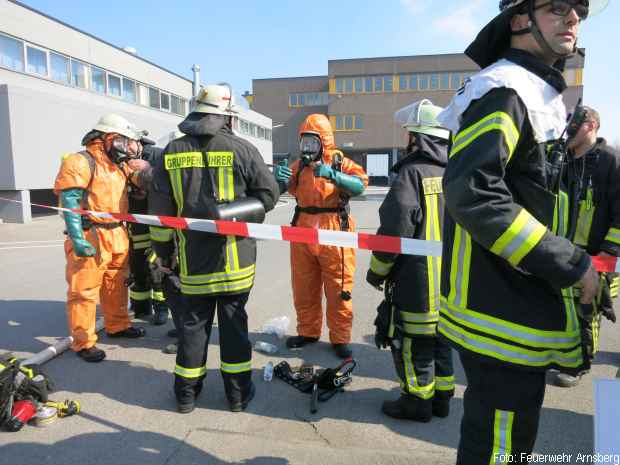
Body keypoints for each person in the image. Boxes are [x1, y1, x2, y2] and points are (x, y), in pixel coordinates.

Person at [436, 1, 605, 462]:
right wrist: (570, 264)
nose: (573, 19)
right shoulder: (505, 89)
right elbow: (473, 192)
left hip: (512, 307)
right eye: (557, 8)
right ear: (517, 21)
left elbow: (532, 195)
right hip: (501, 313)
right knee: (501, 450)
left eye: (578, 10)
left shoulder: (531, 91)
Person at [148, 84, 279, 413]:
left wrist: (163, 254)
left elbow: (159, 214)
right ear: (227, 116)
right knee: (234, 329)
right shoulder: (243, 149)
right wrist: (236, 210)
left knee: (192, 327)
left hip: (191, 264)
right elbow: (269, 196)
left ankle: (186, 396)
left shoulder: (171, 152)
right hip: (235, 263)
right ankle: (237, 396)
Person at [366, 99, 454, 422]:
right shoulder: (456, 171)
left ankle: (416, 401)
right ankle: (442, 398)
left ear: (418, 138)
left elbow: (394, 229)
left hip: (418, 283)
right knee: (442, 341)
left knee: (412, 344)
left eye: (409, 136)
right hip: (450, 283)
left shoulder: (411, 173)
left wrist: (377, 271)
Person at [54, 114, 147, 363]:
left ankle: (117, 325)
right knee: (83, 291)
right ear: (109, 138)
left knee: (116, 283)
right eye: (125, 141)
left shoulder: (119, 164)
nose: (129, 147)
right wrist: (77, 238)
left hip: (117, 231)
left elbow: (141, 183)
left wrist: (147, 171)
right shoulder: (80, 161)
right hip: (91, 233)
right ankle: (83, 341)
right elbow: (70, 201)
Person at [274, 114, 368, 359]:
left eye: (312, 142)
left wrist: (332, 174)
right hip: (303, 229)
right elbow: (282, 189)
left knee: (339, 289)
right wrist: (280, 179)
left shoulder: (339, 162)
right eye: (304, 142)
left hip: (335, 230)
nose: (307, 148)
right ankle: (308, 332)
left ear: (324, 141)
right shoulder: (300, 166)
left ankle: (340, 337)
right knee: (304, 288)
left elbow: (360, 185)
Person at [553, 105, 619, 388]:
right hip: (565, 250)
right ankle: (565, 355)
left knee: (587, 308)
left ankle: (580, 363)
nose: (568, 132)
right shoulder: (564, 161)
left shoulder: (611, 161)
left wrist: (609, 250)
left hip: (597, 255)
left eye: (574, 126)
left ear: (590, 125)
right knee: (563, 306)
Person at [127, 140, 170, 326]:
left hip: (156, 218)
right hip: (135, 221)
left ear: (138, 142)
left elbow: (168, 179)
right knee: (137, 264)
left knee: (157, 266)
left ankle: (161, 307)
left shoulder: (157, 155)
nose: (126, 148)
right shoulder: (119, 158)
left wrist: (147, 168)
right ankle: (140, 306)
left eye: (130, 143)